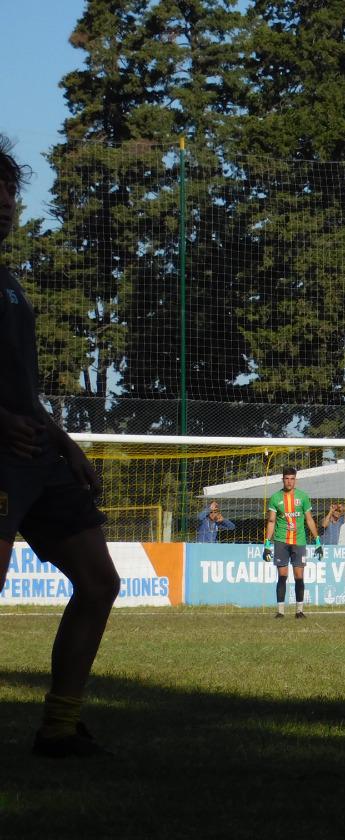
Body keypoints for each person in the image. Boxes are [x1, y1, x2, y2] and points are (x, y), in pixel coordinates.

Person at [0, 137, 120, 757]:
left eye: (9, 193)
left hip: (37, 456)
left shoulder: (11, 285)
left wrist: (65, 441)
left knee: (100, 582)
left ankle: (60, 725)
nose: (3, 205)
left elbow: (22, 387)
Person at [262, 466, 321, 619]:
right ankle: (280, 611)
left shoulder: (303, 497)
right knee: (282, 576)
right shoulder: (276, 498)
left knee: (299, 576)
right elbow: (271, 521)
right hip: (281, 541)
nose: (289, 481)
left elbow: (309, 519)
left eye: (292, 478)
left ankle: (299, 611)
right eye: (287, 478)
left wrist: (317, 541)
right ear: (282, 479)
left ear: (296, 480)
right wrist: (267, 544)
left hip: (299, 541)